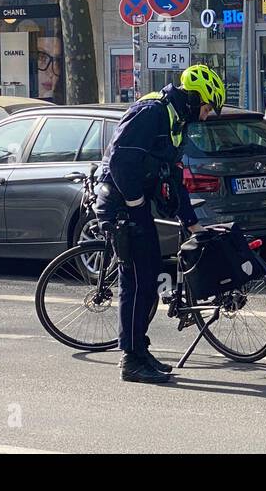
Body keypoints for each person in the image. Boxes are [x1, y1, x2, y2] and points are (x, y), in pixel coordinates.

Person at [95, 64, 226, 384]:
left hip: (134, 202)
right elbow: (120, 160)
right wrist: (136, 203)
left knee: (148, 276)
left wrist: (192, 224)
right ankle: (131, 359)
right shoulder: (152, 113)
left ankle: (139, 350)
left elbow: (174, 177)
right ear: (195, 99)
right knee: (139, 281)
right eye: (207, 108)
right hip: (122, 204)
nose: (207, 116)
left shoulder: (175, 121)